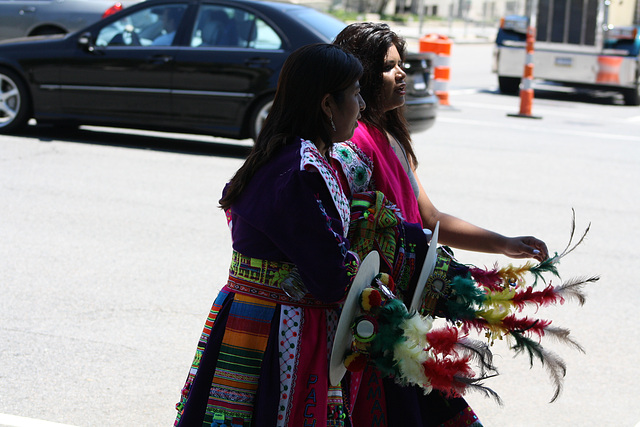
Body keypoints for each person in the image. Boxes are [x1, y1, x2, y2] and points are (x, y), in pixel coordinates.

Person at [333, 23, 549, 427]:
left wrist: (502, 243)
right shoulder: (352, 143)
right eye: (387, 67)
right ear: (358, 76)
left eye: (403, 65)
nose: (402, 75)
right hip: (375, 319)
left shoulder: (389, 138)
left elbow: (429, 220)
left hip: (405, 313)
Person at [173, 43, 368, 426]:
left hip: (255, 318)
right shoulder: (298, 171)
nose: (361, 105)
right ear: (328, 104)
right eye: (356, 94)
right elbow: (330, 276)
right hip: (280, 331)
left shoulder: (295, 157)